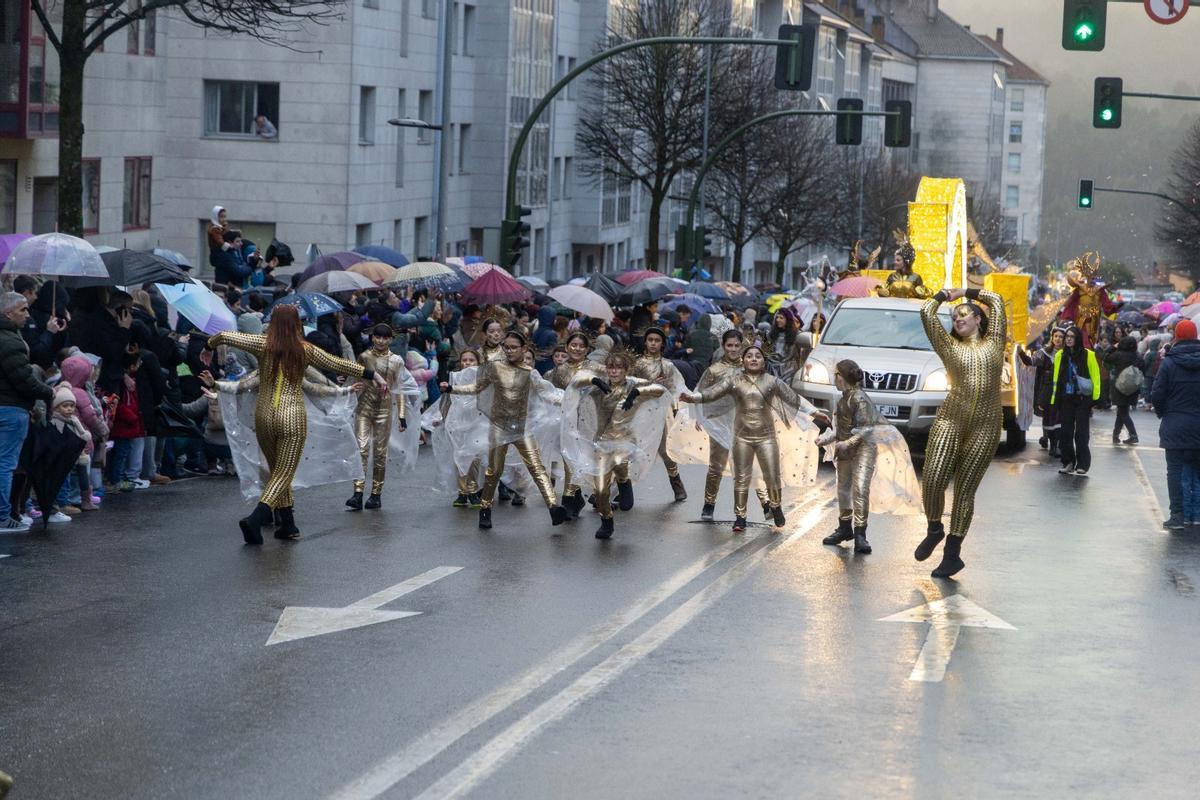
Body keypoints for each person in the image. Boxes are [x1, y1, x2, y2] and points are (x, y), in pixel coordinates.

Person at [205, 304, 388, 545]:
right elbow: (337, 363)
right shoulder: (305, 349)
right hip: (291, 416)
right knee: (284, 472)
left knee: (277, 470)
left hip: (264, 415)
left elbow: (228, 335)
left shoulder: (262, 344)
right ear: (297, 325)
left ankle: (288, 524)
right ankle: (256, 518)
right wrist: (371, 374)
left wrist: (209, 346)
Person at [913, 287, 1007, 579]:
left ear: (979, 319)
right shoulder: (949, 346)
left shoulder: (995, 342)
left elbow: (996, 299)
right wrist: (944, 296)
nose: (957, 319)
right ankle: (934, 528)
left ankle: (952, 555)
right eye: (954, 317)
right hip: (950, 418)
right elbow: (925, 312)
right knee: (933, 478)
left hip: (987, 423)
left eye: (964, 314)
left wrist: (966, 291)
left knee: (965, 491)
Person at [680, 343, 821, 532]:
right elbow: (712, 393)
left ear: (763, 361)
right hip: (742, 438)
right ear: (743, 361)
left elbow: (794, 399)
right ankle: (740, 517)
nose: (753, 359)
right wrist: (692, 398)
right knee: (741, 478)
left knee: (772, 476)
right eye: (749, 356)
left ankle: (776, 505)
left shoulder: (772, 381)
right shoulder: (733, 381)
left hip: (767, 437)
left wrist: (815, 413)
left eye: (758, 356)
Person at [440, 330, 569, 530]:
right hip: (499, 427)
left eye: (514, 347)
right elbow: (476, 387)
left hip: (522, 428)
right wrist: (452, 389)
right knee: (493, 472)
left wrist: (572, 401)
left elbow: (548, 393)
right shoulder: (494, 368)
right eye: (506, 347)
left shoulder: (530, 373)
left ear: (524, 349)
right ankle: (485, 508)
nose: (509, 351)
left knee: (537, 468)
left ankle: (553, 507)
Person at [819, 359, 921, 554]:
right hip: (845, 450)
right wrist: (824, 439)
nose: (835, 378)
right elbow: (838, 429)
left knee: (860, 489)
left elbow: (866, 429)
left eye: (837, 374)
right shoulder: (841, 400)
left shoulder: (859, 398)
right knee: (843, 490)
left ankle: (860, 533)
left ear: (845, 377)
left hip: (864, 448)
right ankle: (844, 528)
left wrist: (846, 443)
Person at [564, 349, 668, 539]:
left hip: (625, 441)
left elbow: (660, 390)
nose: (614, 372)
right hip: (602, 442)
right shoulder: (599, 388)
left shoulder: (633, 385)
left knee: (620, 463)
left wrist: (636, 392)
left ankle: (623, 480)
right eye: (610, 368)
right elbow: (575, 382)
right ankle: (606, 521)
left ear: (626, 369)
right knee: (601, 490)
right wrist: (594, 380)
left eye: (618, 368)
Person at [346, 324, 415, 511]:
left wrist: (402, 416)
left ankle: (376, 494)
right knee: (361, 448)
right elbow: (356, 379)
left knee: (380, 453)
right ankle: (357, 492)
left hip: (384, 411)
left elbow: (400, 389)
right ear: (372, 337)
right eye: (377, 337)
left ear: (391, 340)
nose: (381, 341)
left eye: (385, 338)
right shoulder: (364, 357)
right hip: (364, 408)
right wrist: (346, 393)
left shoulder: (397, 361)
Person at [0, 292, 54, 531]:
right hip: (11, 409)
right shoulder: (10, 341)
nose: (27, 314)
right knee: (5, 464)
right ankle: (3, 516)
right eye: (22, 310)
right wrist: (48, 392)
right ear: (8, 313)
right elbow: (23, 379)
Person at [1151, 319, 1200, 531]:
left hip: (1175, 425)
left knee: (1175, 470)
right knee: (1197, 471)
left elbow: (1157, 394)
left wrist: (1164, 414)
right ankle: (1197, 514)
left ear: (1177, 337)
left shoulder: (1169, 363)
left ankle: (1177, 515)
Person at [631, 325, 687, 502]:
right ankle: (619, 490)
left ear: (662, 344)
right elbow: (628, 386)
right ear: (645, 342)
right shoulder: (637, 364)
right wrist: (649, 383)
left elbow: (677, 388)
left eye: (657, 341)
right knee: (631, 449)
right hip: (639, 412)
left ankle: (676, 483)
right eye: (650, 340)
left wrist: (675, 404)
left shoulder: (668, 366)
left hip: (661, 413)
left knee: (665, 449)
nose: (653, 344)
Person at [545, 331, 597, 516]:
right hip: (566, 418)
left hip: (589, 418)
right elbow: (550, 392)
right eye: (573, 345)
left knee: (586, 456)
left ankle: (582, 494)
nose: (577, 349)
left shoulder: (595, 368)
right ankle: (569, 497)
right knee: (569, 456)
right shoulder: (560, 370)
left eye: (581, 346)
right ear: (567, 347)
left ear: (587, 349)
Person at [1050, 325, 1101, 477]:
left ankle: (1083, 464)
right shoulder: (1060, 355)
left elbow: (1095, 377)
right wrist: (1054, 399)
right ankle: (1068, 462)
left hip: (1082, 399)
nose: (1068, 339)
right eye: (1067, 337)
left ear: (1078, 339)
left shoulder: (1088, 355)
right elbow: (1056, 379)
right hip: (1066, 398)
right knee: (1065, 432)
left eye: (1072, 337)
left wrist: (1095, 399)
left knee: (1081, 433)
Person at [1105, 335, 1142, 445]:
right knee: (1122, 412)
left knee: (1123, 412)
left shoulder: (1118, 355)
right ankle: (1115, 435)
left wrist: (1112, 347)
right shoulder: (1137, 356)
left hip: (1120, 387)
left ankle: (1133, 435)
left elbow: (1105, 357)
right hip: (1132, 387)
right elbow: (1143, 365)